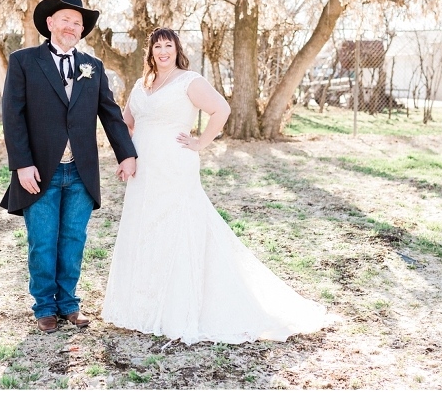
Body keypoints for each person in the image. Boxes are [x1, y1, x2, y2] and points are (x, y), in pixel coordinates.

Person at [101, 27, 331, 344]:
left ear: (177, 50)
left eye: (169, 45)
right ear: (150, 52)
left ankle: (177, 307)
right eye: (157, 47)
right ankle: (143, 305)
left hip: (175, 167)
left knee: (176, 225)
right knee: (144, 227)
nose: (163, 51)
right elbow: (128, 122)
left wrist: (200, 142)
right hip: (143, 171)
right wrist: (126, 154)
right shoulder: (142, 84)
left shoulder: (189, 81)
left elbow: (221, 109)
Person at [1, 0, 137, 334]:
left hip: (80, 171)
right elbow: (12, 117)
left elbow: (110, 113)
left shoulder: (93, 67)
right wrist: (21, 164)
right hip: (40, 171)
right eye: (66, 20)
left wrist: (127, 153)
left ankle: (69, 304)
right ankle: (44, 306)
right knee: (43, 241)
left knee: (74, 238)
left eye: (77, 23)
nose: (72, 26)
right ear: (50, 24)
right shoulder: (23, 62)